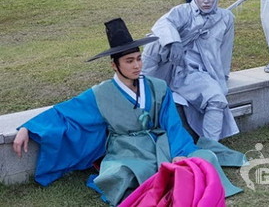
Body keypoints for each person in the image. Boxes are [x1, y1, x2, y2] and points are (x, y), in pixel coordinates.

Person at [12, 18, 242, 205]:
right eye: (129, 61)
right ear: (115, 65)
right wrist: (28, 128)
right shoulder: (101, 93)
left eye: (139, 59)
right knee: (120, 174)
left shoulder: (158, 87)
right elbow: (65, 113)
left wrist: (179, 152)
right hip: (125, 149)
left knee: (203, 157)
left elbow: (172, 124)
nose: (137, 65)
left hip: (161, 143)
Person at [142, 0, 239, 142]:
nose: (206, 1)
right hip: (172, 67)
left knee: (217, 100)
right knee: (154, 43)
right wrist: (174, 42)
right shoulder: (183, 11)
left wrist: (222, 76)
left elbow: (225, 50)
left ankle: (210, 147)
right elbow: (163, 24)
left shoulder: (225, 18)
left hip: (198, 73)